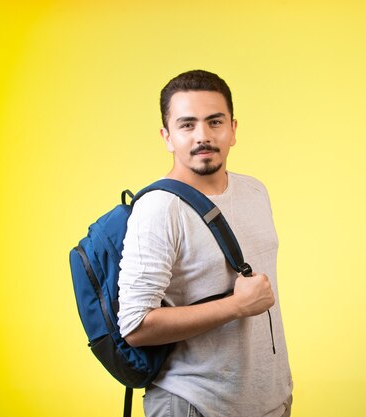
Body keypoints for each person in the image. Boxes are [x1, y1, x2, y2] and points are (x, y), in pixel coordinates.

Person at [117, 70, 293, 417]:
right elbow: (135, 326)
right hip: (195, 404)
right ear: (167, 136)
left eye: (215, 122)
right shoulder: (159, 208)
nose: (203, 136)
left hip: (272, 401)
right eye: (187, 125)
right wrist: (236, 306)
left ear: (233, 129)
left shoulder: (255, 191)